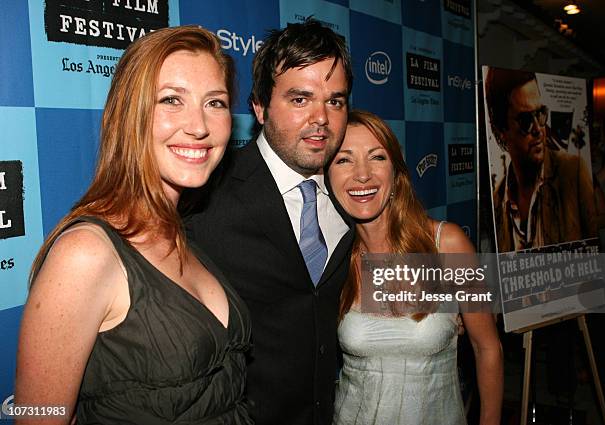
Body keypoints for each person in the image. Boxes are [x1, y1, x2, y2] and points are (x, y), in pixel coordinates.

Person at [15, 26, 252, 424]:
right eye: (171, 100)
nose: (199, 125)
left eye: (215, 102)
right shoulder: (85, 254)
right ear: (130, 115)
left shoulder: (181, 233)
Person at [185, 19, 355, 425]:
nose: (321, 118)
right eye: (300, 99)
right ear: (259, 107)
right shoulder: (202, 200)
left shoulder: (354, 192)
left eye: (335, 101)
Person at [328, 110, 503, 425]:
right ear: (327, 176)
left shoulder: (447, 245)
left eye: (377, 157)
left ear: (396, 172)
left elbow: (487, 347)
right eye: (344, 160)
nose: (362, 174)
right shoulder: (331, 260)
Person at [485, 68, 597, 252]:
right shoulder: (498, 202)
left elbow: (594, 254)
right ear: (501, 131)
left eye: (540, 113)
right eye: (525, 120)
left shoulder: (572, 171)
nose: (538, 129)